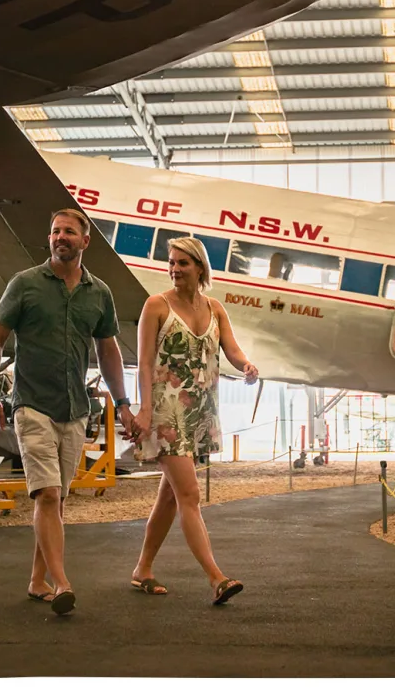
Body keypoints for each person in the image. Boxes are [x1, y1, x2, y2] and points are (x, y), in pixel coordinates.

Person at [0, 209, 136, 616]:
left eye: (68, 231)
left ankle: (36, 580)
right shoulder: (25, 285)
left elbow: (108, 351)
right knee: (48, 494)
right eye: (53, 231)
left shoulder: (98, 293)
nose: (59, 237)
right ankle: (62, 582)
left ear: (86, 241)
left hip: (75, 408)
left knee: (56, 499)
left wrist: (123, 404)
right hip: (32, 404)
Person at [127, 236, 257, 606]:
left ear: (200, 267)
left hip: (201, 410)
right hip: (167, 412)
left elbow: (230, 348)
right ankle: (216, 578)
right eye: (171, 262)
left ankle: (142, 570)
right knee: (189, 494)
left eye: (183, 263)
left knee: (169, 497)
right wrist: (145, 410)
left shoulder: (215, 308)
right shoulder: (156, 305)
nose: (174, 269)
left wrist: (245, 364)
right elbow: (146, 363)